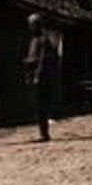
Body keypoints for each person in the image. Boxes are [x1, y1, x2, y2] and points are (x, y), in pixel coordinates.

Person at [24, 14, 61, 142]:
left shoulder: (43, 40)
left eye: (32, 25)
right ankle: (42, 132)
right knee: (37, 106)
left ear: (37, 25)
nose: (30, 27)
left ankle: (44, 134)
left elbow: (43, 60)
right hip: (33, 74)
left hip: (41, 77)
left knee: (41, 106)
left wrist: (37, 76)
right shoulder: (34, 40)